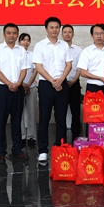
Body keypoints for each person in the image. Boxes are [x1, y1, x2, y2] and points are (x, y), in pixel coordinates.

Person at [33, 17, 73, 162]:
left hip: (62, 84)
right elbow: (38, 67)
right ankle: (43, 150)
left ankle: (60, 146)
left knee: (61, 117)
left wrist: (61, 80)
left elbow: (69, 65)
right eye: (52, 27)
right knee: (44, 117)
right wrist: (52, 81)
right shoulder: (40, 46)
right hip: (46, 85)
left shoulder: (64, 45)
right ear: (46, 29)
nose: (54, 30)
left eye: (57, 27)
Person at [0, 23, 30, 164]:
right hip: (2, 89)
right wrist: (9, 83)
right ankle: (1, 152)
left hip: (18, 89)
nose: (12, 35)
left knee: (16, 120)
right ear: (4, 34)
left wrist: (19, 83)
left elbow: (24, 69)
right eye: (9, 33)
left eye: (14, 33)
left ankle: (17, 149)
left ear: (17, 34)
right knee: (1, 121)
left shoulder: (22, 50)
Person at [78, 24, 104, 101]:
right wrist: (100, 78)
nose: (99, 36)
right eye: (96, 33)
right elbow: (83, 73)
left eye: (101, 33)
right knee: (94, 109)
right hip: (93, 88)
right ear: (92, 35)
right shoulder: (86, 51)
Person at [62, 24, 83, 141]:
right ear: (62, 34)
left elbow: (80, 67)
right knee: (61, 111)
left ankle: (76, 137)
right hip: (61, 83)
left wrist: (74, 80)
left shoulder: (78, 50)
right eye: (65, 32)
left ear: (73, 34)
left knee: (76, 111)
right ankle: (62, 137)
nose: (67, 34)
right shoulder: (58, 48)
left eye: (69, 32)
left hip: (74, 83)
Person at [19, 33, 38, 148]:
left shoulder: (32, 54)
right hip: (18, 86)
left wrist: (29, 84)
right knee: (19, 113)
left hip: (31, 86)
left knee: (32, 112)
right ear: (19, 42)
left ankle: (31, 137)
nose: (26, 42)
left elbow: (36, 70)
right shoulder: (16, 54)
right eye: (23, 40)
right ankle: (21, 136)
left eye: (28, 40)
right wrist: (22, 84)